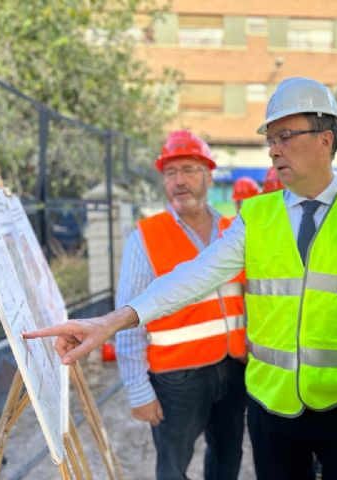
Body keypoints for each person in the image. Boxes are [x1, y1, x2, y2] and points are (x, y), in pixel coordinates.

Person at [24, 76, 337, 479]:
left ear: (326, 139)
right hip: (271, 406)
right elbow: (195, 276)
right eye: (270, 140)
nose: (273, 150)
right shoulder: (255, 215)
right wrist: (111, 322)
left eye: (284, 136)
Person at [114, 130, 247, 480]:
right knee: (173, 468)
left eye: (188, 169)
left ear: (208, 174)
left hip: (233, 367)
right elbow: (128, 315)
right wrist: (138, 390)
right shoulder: (146, 235)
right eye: (170, 173)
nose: (178, 181)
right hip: (176, 379)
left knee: (227, 459)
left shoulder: (233, 229)